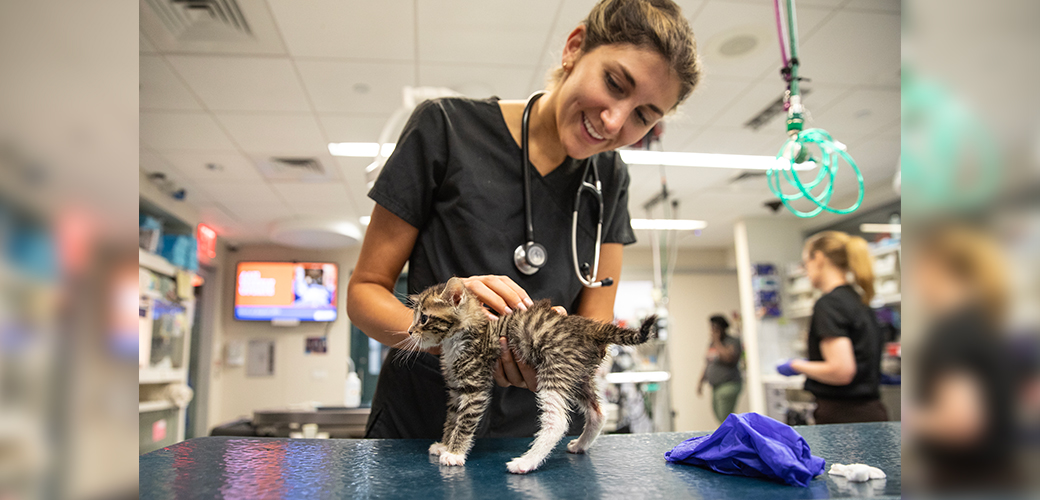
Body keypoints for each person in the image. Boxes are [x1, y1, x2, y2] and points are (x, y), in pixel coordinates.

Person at [346, 0, 701, 439]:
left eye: (644, 116)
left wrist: (556, 349)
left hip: (541, 439)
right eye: (614, 83)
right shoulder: (446, 129)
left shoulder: (609, 178)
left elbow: (596, 329)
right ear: (575, 48)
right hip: (422, 428)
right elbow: (364, 293)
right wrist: (446, 328)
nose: (614, 121)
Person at [905, 224, 1020, 491]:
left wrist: (911, 418)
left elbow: (959, 423)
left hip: (962, 478)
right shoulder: (984, 323)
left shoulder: (953, 332)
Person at [776, 231, 887, 424]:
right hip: (870, 413)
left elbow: (841, 370)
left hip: (845, 418)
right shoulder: (859, 299)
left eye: (806, 263)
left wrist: (796, 365)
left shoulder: (829, 304)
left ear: (818, 258)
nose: (805, 270)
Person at [697, 314, 742, 424]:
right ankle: (727, 438)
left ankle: (730, 440)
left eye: (715, 328)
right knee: (718, 416)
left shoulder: (732, 341)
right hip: (716, 386)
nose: (712, 331)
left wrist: (717, 341)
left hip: (728, 384)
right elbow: (708, 364)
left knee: (725, 419)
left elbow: (728, 358)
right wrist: (700, 382)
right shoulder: (712, 344)